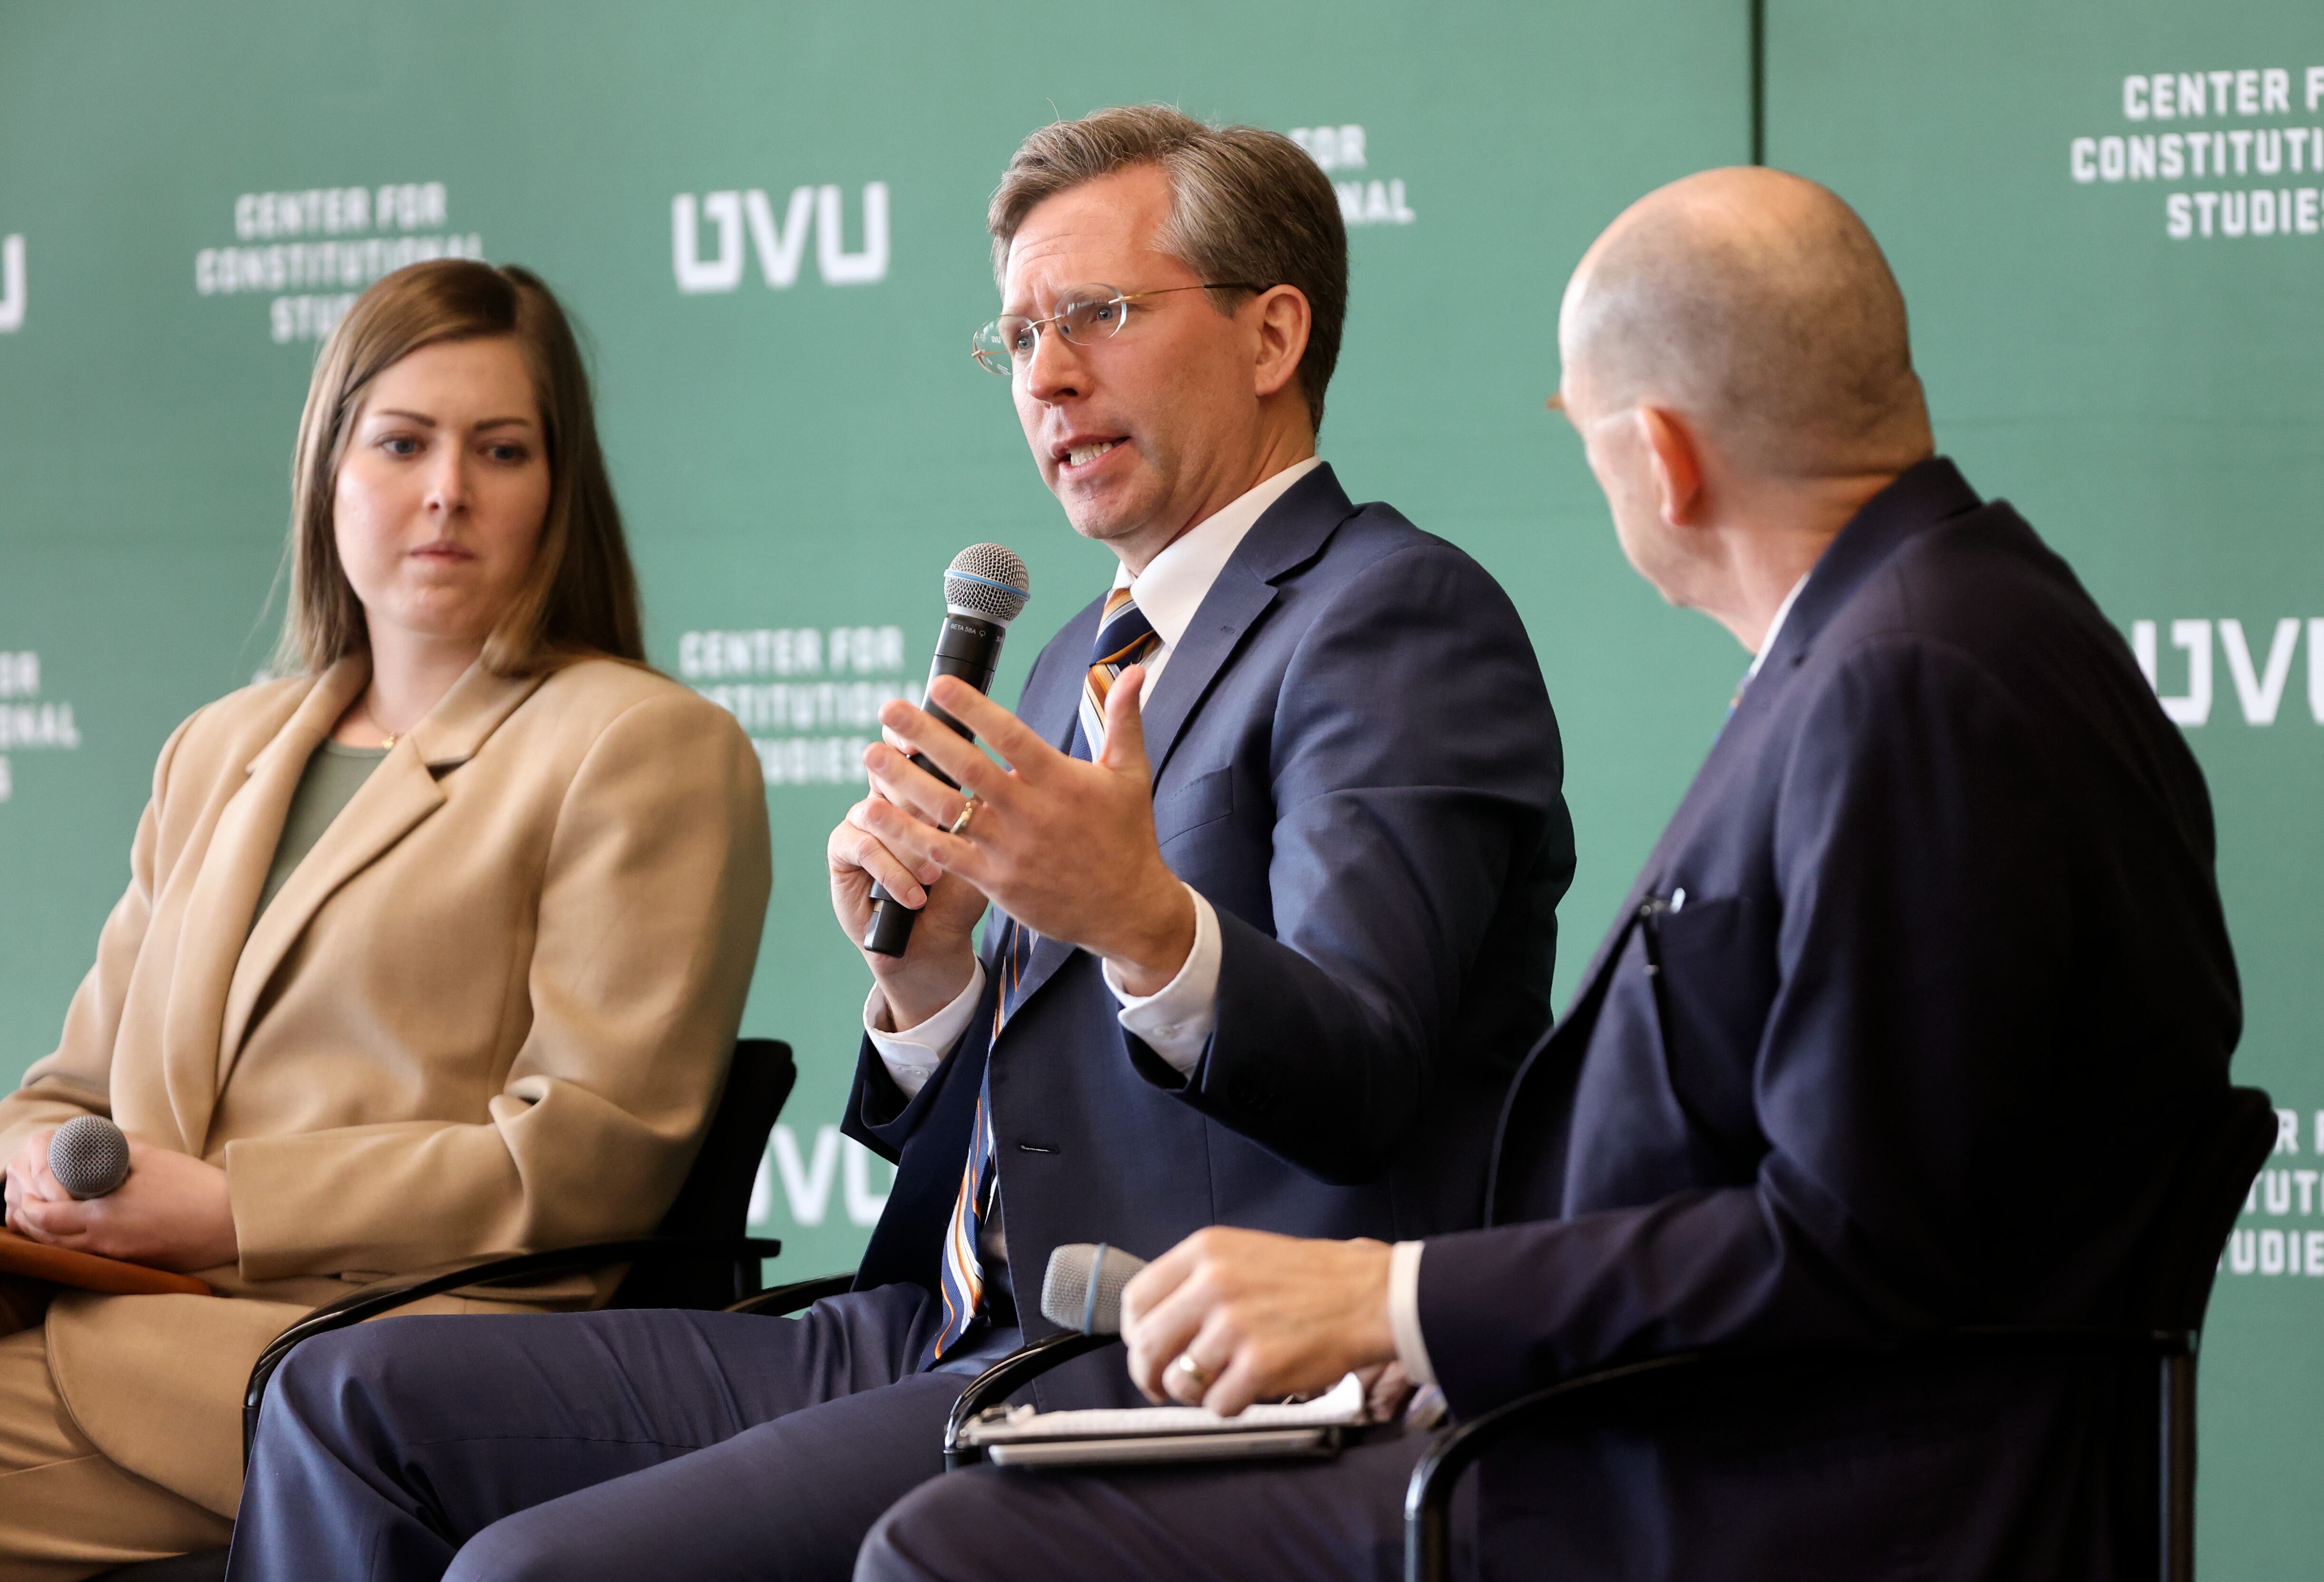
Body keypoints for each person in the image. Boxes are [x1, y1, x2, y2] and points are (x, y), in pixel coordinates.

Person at [225, 106, 1575, 1582]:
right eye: (1019, 337)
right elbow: (1033, 1117)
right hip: (920, 1325)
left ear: (1272, 334)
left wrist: (1144, 922)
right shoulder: (1073, 657)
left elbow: (1370, 1077)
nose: (1048, 376)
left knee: (527, 1572)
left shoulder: (1387, 617)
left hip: (1150, 1362)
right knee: (336, 1393)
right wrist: (931, 990)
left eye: (1101, 316)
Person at [855, 166, 2244, 1582]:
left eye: (1582, 435)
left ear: (1660, 455)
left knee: (957, 1552)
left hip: (1763, 1488)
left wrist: (1394, 1299)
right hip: (1669, 1423)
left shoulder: (1909, 685)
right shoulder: (1943, 627)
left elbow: (1848, 1246)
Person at [0, 259, 772, 1578]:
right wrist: (35, 1166)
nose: (446, 492)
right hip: (97, 1314)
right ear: (328, 469)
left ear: (559, 490)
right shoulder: (218, 747)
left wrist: (232, 1211)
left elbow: (583, 1162)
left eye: (502, 450)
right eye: (402, 441)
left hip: (361, 1373)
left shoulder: (644, 745)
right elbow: (64, 1093)